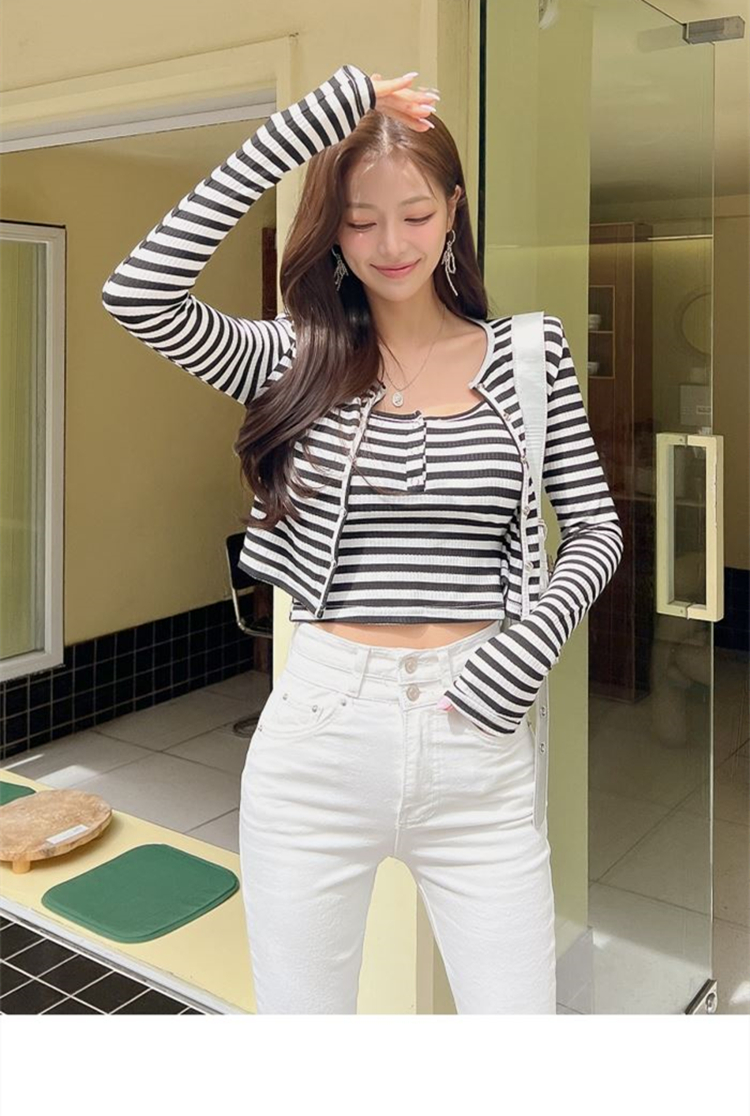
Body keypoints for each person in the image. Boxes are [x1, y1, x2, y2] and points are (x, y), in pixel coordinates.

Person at [102, 64, 623, 1014]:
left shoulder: (528, 354)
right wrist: (312, 122)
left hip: (479, 737)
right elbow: (138, 292)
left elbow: (594, 526)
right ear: (332, 230)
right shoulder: (293, 359)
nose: (391, 244)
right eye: (359, 219)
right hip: (320, 732)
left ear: (453, 211)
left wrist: (530, 644)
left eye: (416, 214)